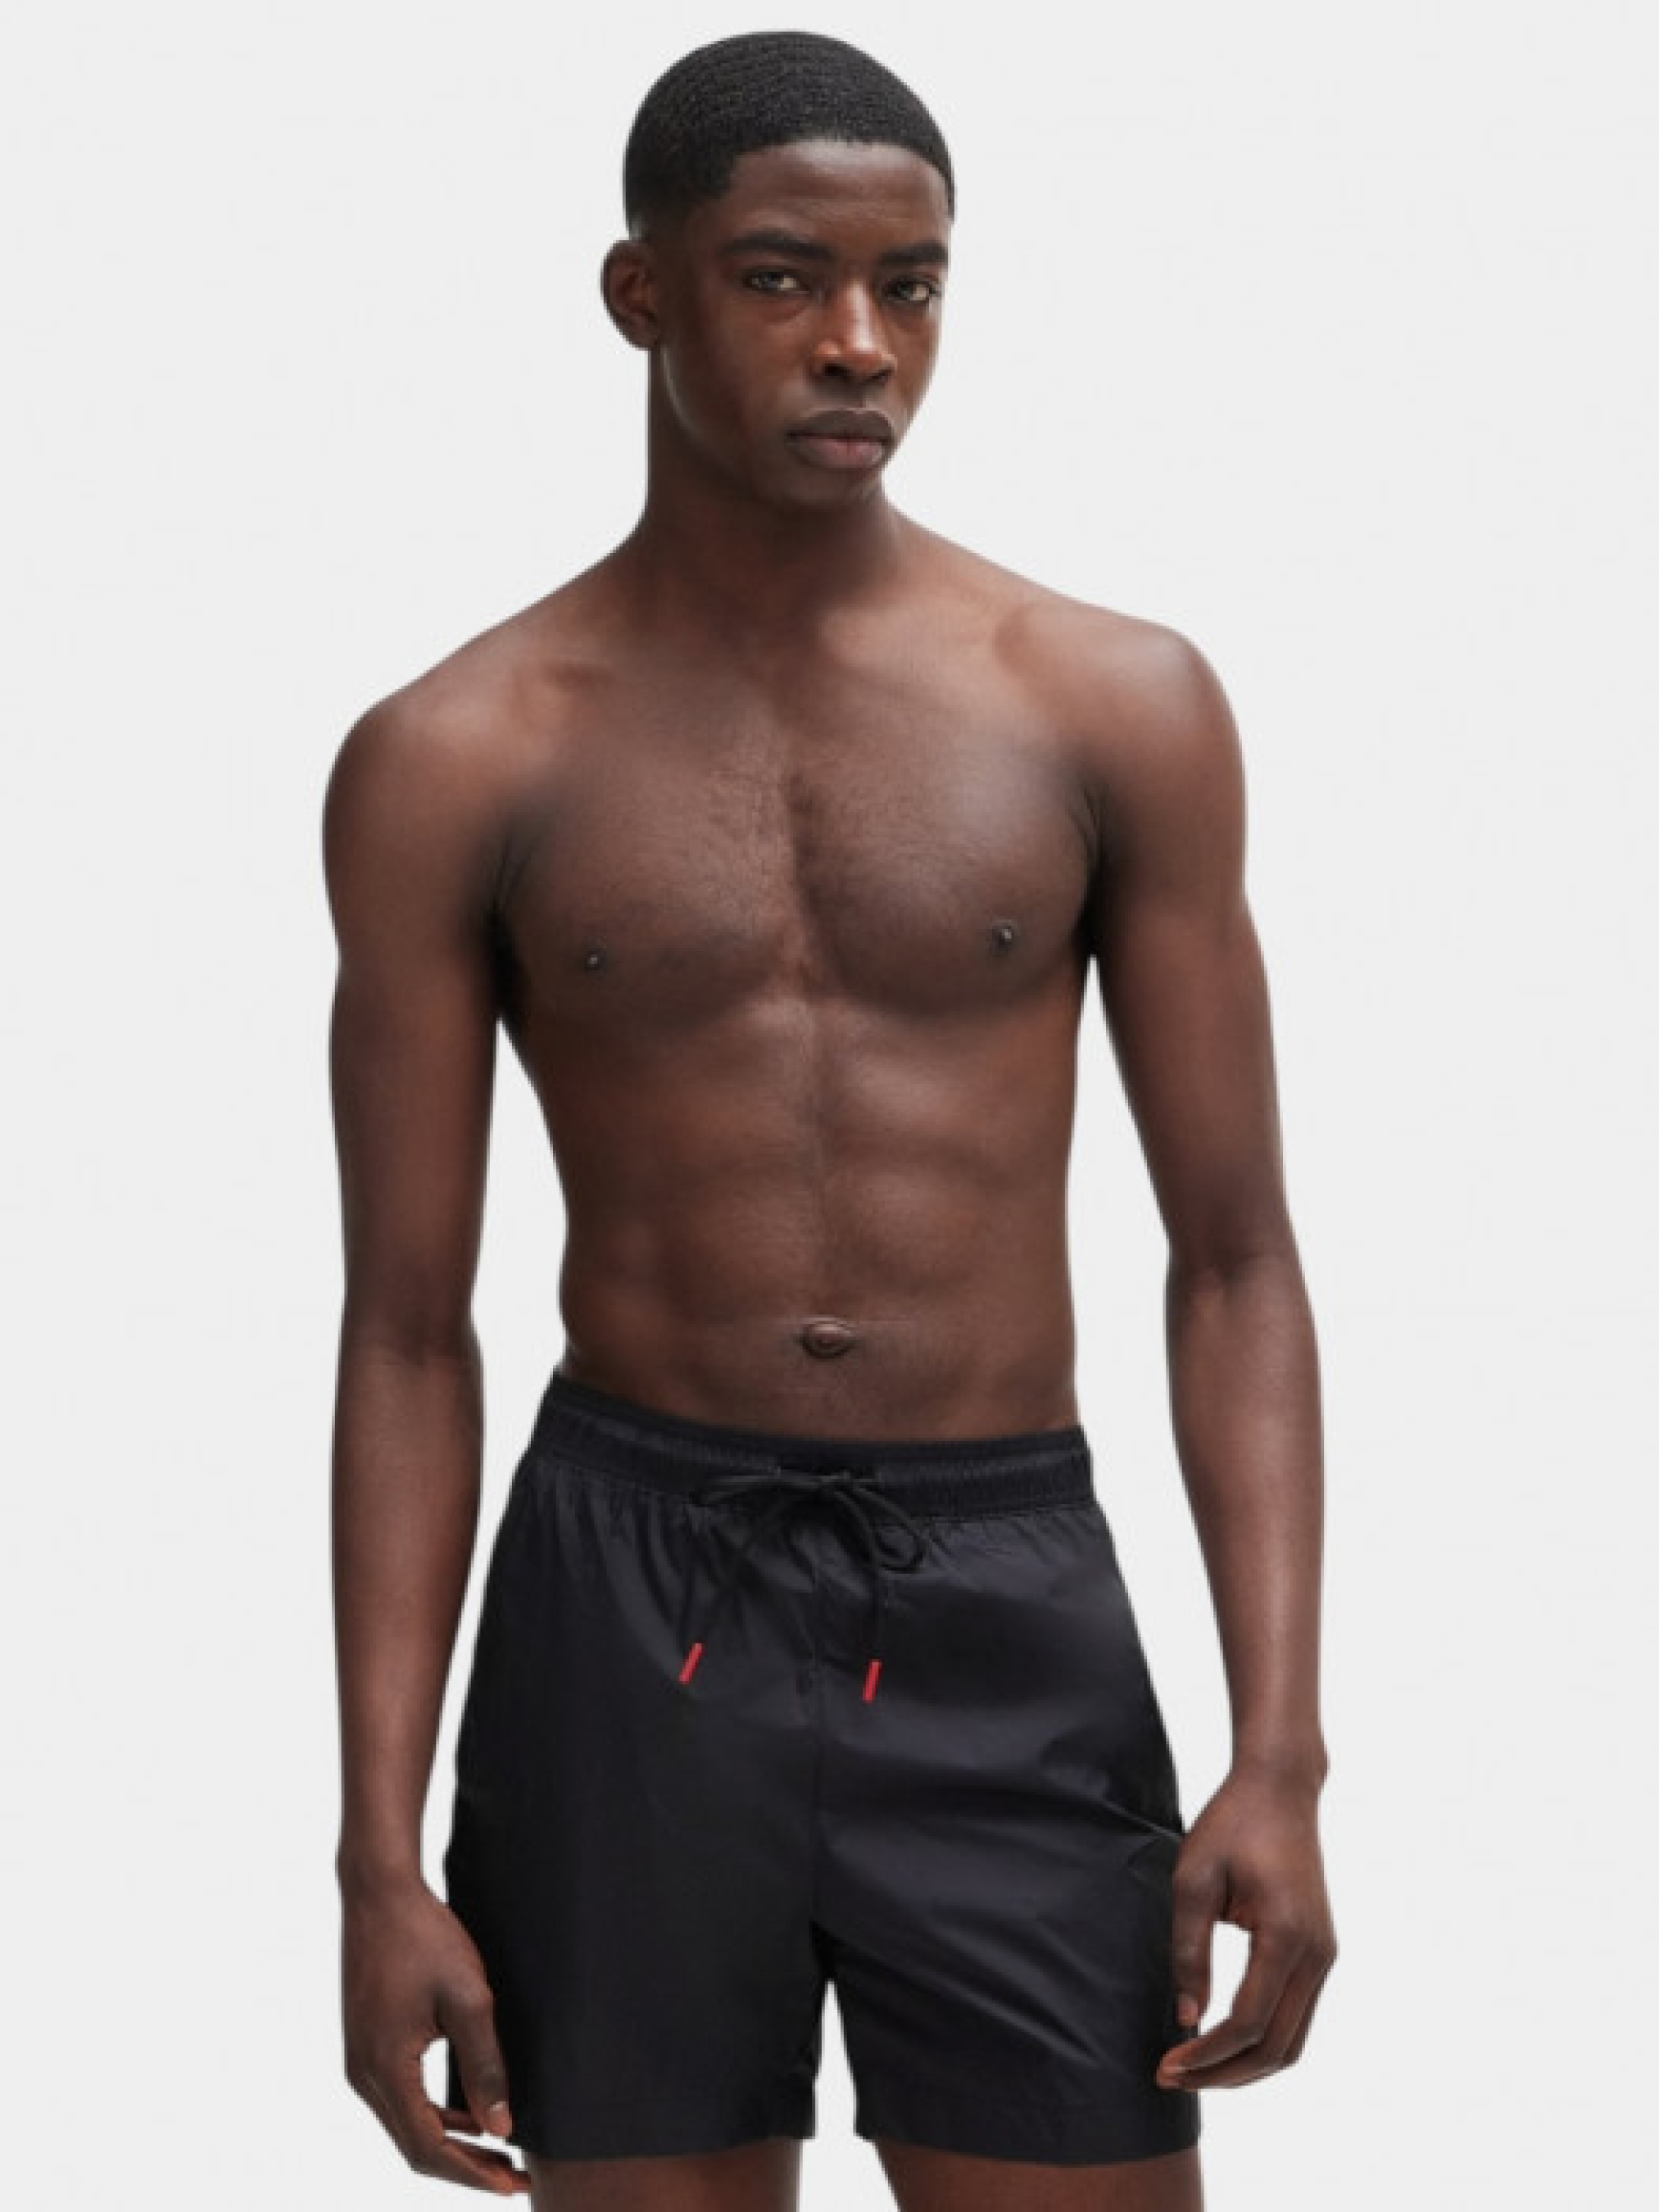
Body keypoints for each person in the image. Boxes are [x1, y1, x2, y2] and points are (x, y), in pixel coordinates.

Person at [323, 29, 1336, 2212]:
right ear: (643, 294)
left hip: (1003, 1584)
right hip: (627, 1601)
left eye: (913, 284)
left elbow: (1237, 1256)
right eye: (783, 277)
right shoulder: (458, 753)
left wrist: (1281, 1749)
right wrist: (376, 1857)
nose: (861, 342)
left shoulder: (1112, 703)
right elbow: (404, 1331)